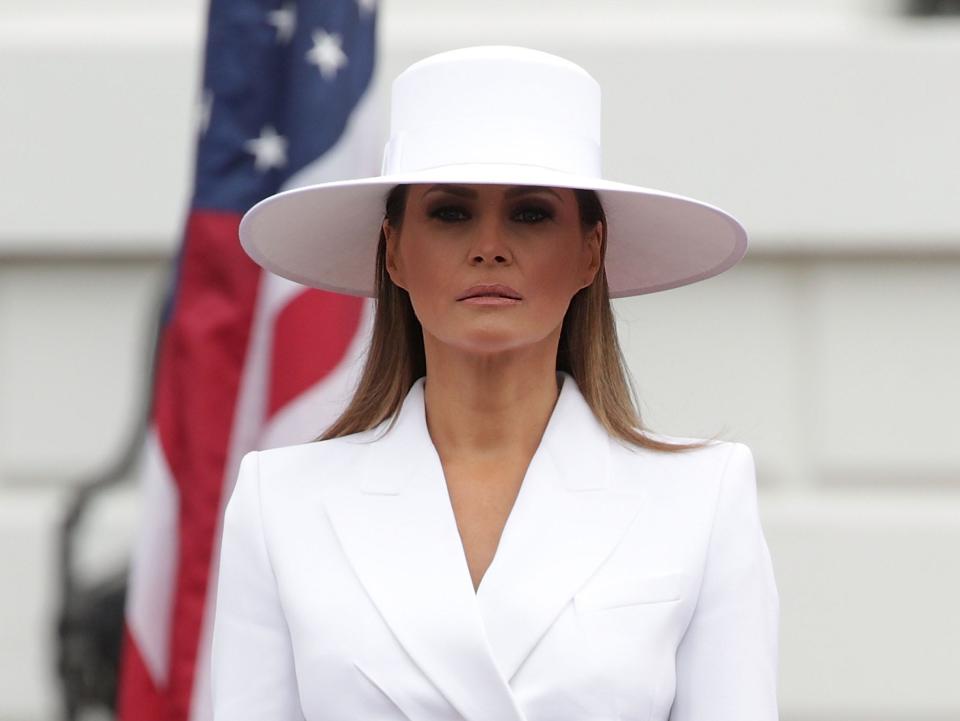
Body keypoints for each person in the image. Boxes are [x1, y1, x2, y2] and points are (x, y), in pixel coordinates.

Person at [211, 46, 779, 721]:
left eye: (531, 213)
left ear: (590, 251)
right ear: (393, 249)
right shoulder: (280, 505)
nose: (489, 246)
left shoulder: (702, 498)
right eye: (450, 212)